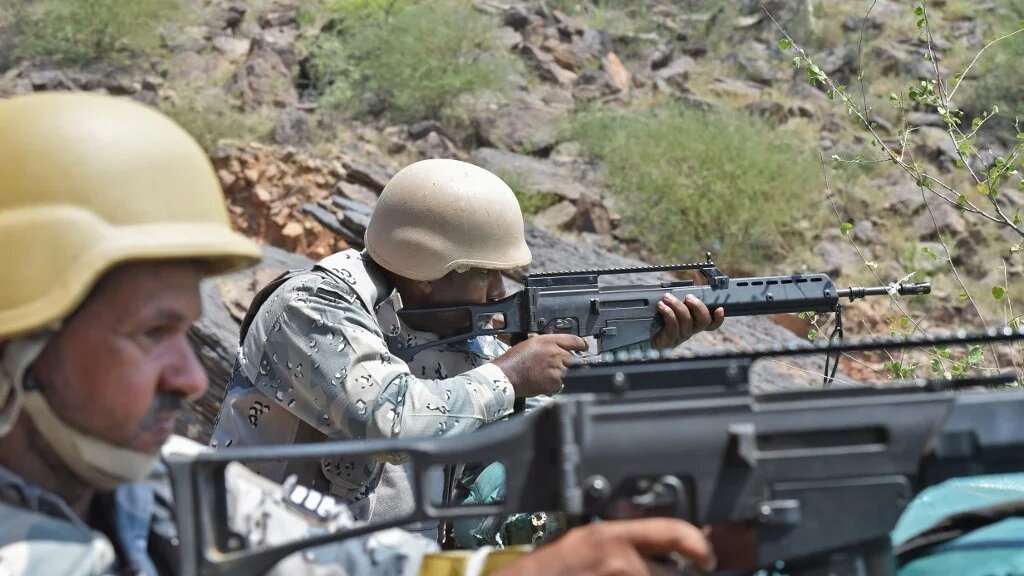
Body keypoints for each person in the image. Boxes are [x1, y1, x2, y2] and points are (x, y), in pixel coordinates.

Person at [0, 91, 718, 575]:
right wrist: (508, 376)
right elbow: (401, 415)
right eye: (148, 332)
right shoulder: (313, 308)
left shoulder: (151, 485)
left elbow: (331, 558)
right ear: (17, 343)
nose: (191, 378)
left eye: (186, 332)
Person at [209, 157, 726, 542]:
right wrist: (509, 376)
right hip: (265, 548)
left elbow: (543, 411)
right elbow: (394, 424)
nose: (499, 293)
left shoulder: (450, 323)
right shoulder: (311, 308)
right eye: (486, 276)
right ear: (431, 277)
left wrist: (639, 345)